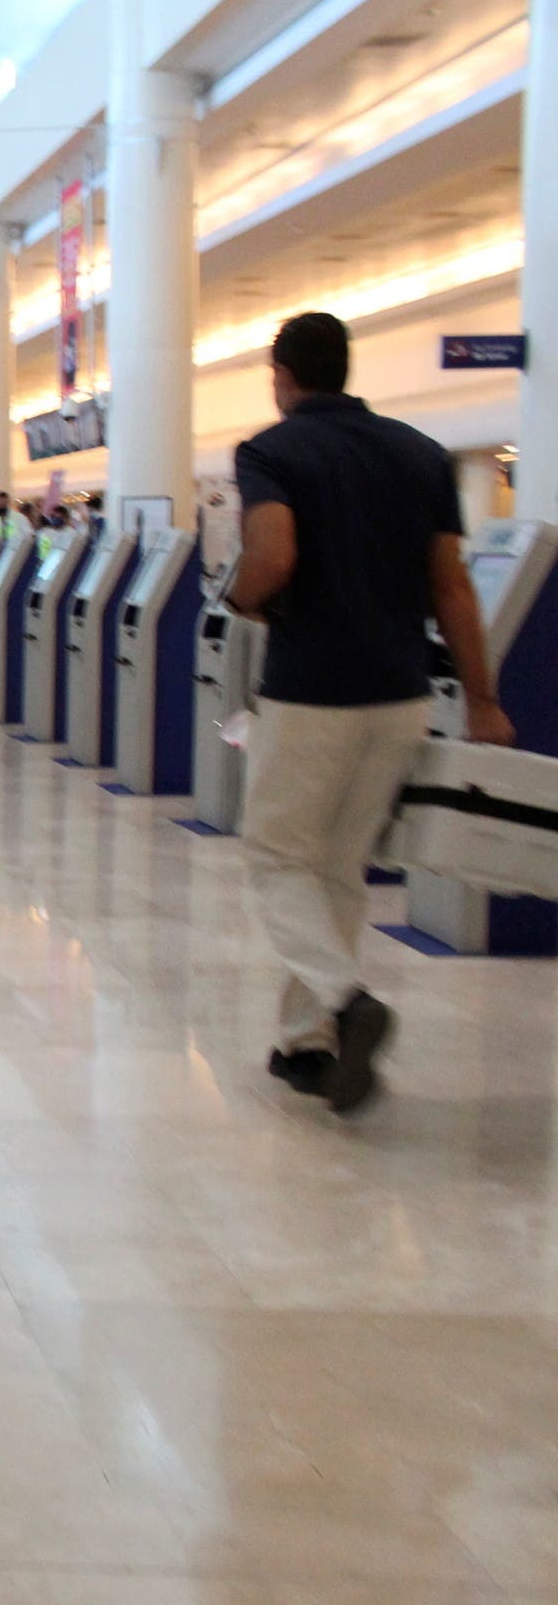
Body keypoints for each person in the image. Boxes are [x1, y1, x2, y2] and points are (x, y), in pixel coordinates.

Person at [227, 312, 514, 1115]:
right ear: (346, 369)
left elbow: (272, 555)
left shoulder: (270, 451)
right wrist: (484, 698)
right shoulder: (419, 453)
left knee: (278, 858)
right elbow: (451, 584)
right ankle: (308, 1044)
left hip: (310, 690)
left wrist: (246, 595)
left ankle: (344, 1000)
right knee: (336, 868)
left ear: (282, 375)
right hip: (400, 694)